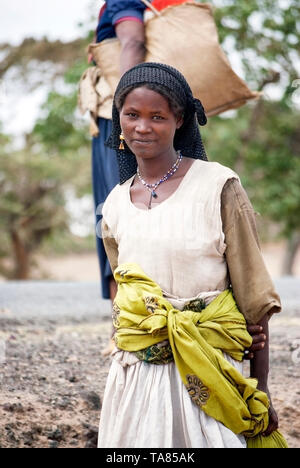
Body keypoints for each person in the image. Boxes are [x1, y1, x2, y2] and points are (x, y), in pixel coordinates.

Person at [97, 62, 286, 448]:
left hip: (210, 374)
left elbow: (254, 298)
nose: (142, 127)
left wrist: (261, 389)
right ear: (119, 120)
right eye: (131, 115)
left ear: (180, 120)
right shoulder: (114, 204)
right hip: (136, 377)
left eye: (157, 117)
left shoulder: (217, 185)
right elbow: (127, 298)